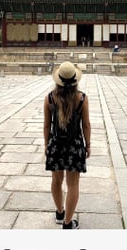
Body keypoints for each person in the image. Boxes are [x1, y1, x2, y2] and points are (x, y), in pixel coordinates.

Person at [43, 61, 91, 229]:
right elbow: (86, 125)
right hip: (74, 146)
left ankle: (59, 213)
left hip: (55, 145)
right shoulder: (82, 99)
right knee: (73, 184)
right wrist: (88, 145)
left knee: (56, 181)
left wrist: (46, 145)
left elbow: (46, 125)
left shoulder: (49, 98)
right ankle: (68, 223)